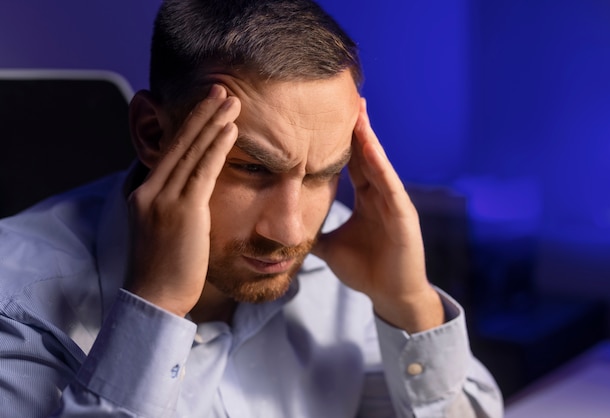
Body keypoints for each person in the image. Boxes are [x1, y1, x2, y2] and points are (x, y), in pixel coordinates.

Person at [0, 0, 503, 416]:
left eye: (324, 173)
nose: (289, 230)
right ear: (153, 134)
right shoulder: (14, 302)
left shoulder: (348, 257)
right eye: (253, 169)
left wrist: (410, 304)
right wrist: (154, 308)